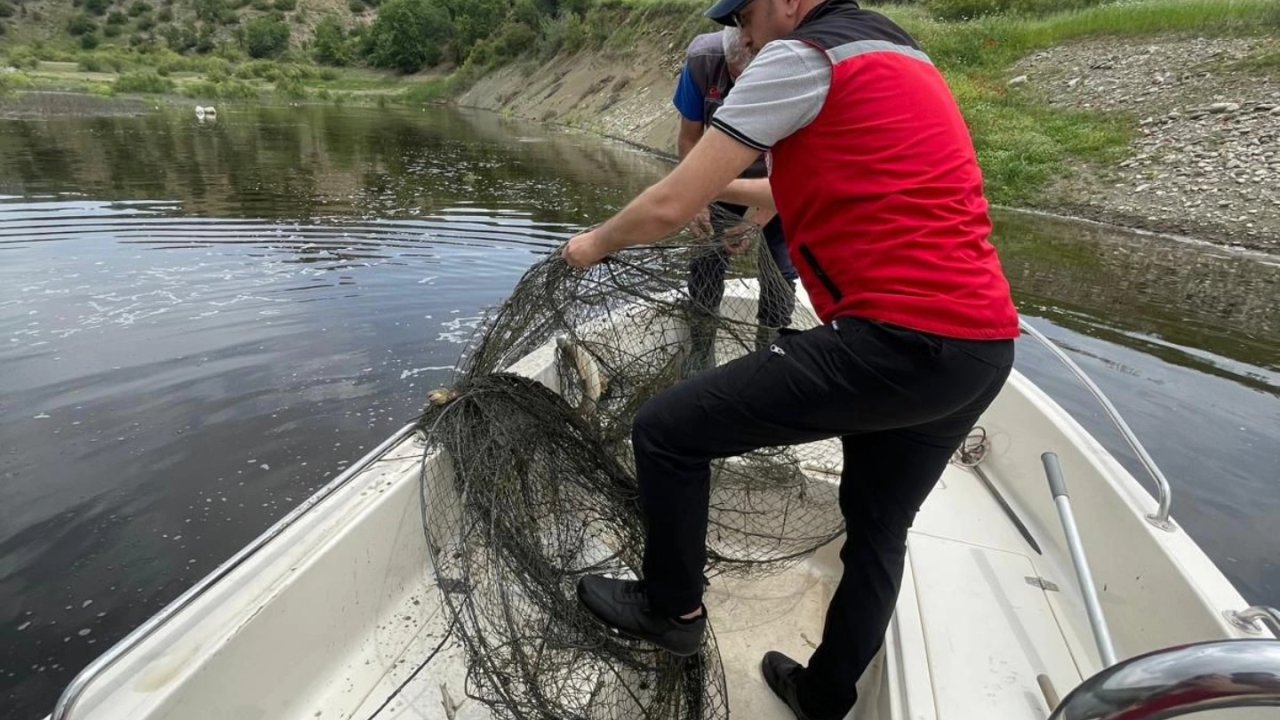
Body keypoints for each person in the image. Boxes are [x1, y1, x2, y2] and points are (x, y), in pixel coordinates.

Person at [564, 0, 1020, 718]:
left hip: (893, 343)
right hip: (980, 351)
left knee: (667, 432)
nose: (741, 35)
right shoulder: (897, 53)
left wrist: (591, 245)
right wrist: (725, 188)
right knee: (878, 530)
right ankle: (824, 695)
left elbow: (671, 204)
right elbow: (785, 189)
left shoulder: (803, 55)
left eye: (744, 15)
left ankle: (670, 609)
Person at [674, 27, 798, 375]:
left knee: (779, 266)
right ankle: (701, 353)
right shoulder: (702, 60)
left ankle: (769, 355)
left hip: (777, 175)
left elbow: (795, 170)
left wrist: (754, 223)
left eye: (748, 76)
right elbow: (688, 138)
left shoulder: (792, 70)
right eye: (733, 75)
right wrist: (696, 199)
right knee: (706, 256)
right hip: (719, 171)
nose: (739, 84)